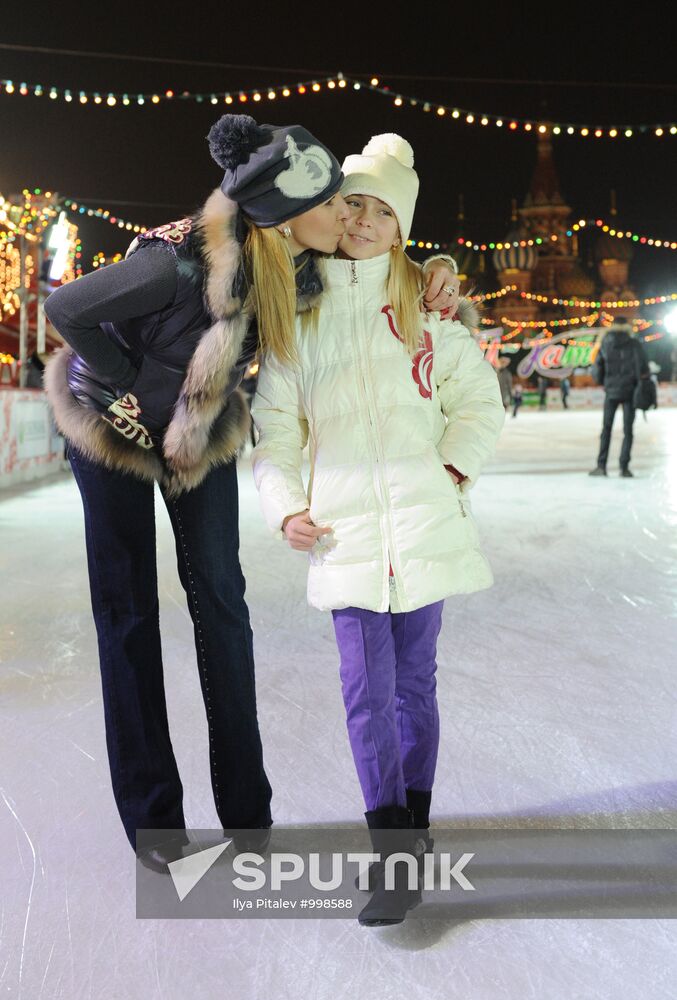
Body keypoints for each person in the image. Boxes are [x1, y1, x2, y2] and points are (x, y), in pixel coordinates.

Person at [42, 115, 460, 870]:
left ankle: (246, 814)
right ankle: (154, 822)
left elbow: (384, 271)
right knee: (128, 611)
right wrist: (137, 384)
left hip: (197, 433)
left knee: (222, 605)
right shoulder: (176, 264)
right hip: (110, 424)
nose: (347, 215)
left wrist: (437, 266)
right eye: (334, 202)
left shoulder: (306, 267)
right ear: (285, 212)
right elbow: (67, 308)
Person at [251, 133, 504, 925]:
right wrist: (285, 505)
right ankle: (389, 851)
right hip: (344, 533)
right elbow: (274, 427)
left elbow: (478, 403)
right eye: (352, 203)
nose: (363, 220)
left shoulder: (428, 314)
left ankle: (412, 834)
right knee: (367, 694)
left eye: (382, 211)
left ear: (402, 229)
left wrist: (450, 471)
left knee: (414, 686)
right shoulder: (299, 314)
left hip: (423, 527)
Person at [589, 316, 650, 478]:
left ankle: (601, 466)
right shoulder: (634, 344)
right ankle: (624, 467)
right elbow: (643, 366)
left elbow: (597, 367)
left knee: (606, 429)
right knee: (628, 431)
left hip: (611, 391)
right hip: (630, 391)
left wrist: (603, 382)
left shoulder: (605, 342)